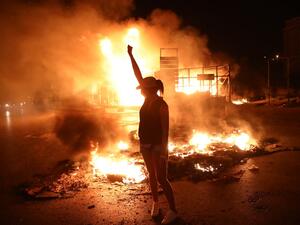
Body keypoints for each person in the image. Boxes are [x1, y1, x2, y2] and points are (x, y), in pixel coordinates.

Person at [127, 45, 177, 224]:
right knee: (151, 175)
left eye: (142, 87)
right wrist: (130, 56)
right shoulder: (147, 100)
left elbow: (166, 130)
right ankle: (156, 202)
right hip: (146, 144)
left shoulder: (162, 105)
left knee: (162, 178)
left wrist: (164, 150)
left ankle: (173, 210)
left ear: (148, 89)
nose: (140, 89)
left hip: (157, 146)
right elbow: (137, 74)